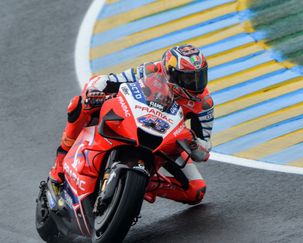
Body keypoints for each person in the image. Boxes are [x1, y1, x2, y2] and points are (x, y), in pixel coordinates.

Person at [49, 44, 214, 204]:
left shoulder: (204, 103)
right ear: (171, 74)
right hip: (131, 117)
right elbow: (108, 80)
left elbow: (204, 152)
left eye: (200, 76)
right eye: (189, 78)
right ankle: (59, 165)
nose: (196, 84)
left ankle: (144, 184)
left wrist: (193, 143)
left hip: (166, 138)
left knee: (196, 190)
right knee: (79, 104)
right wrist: (94, 92)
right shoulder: (152, 70)